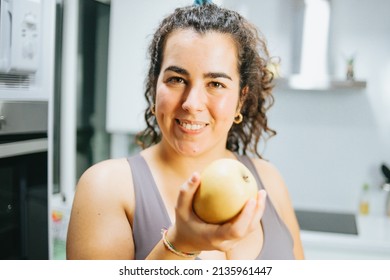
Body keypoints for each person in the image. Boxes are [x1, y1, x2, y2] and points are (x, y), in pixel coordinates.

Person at [66, 1, 304, 260]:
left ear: (241, 100)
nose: (191, 103)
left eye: (216, 83)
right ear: (154, 86)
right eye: (177, 79)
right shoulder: (107, 186)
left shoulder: (269, 181)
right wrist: (180, 244)